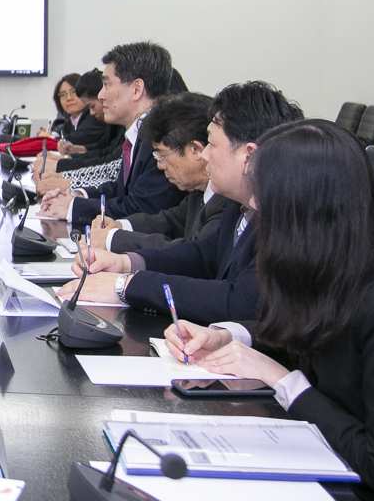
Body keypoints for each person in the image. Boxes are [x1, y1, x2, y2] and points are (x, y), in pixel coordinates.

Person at [164, 119, 374, 501]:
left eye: (264, 196)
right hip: (326, 463)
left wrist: (283, 381)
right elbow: (311, 335)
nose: (254, 205)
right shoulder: (339, 253)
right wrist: (230, 336)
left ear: (304, 206)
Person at [57, 81, 304, 322]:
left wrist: (126, 286)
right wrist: (125, 263)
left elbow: (238, 301)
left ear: (248, 156)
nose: (205, 155)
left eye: (212, 144)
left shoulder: (285, 219)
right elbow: (203, 255)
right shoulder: (239, 204)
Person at [39, 42, 185, 226]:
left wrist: (73, 208)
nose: (101, 95)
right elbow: (119, 189)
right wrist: (77, 196)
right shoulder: (140, 133)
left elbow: (142, 208)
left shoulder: (162, 137)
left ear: (137, 89)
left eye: (107, 84)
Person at [89, 92, 231, 253]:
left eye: (162, 155)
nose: (160, 165)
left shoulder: (227, 199)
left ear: (196, 150)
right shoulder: (199, 192)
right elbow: (171, 221)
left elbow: (195, 252)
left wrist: (113, 239)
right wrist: (119, 226)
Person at [45, 73, 86, 140]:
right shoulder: (70, 122)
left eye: (73, 91)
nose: (69, 98)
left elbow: (78, 140)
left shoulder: (93, 118)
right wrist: (52, 134)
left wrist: (50, 138)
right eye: (63, 95)